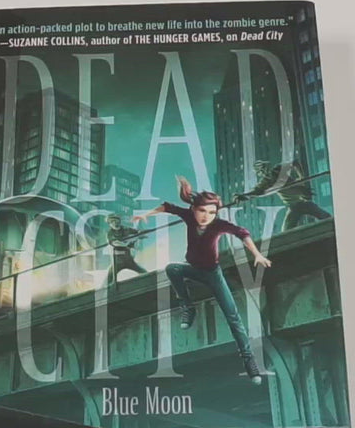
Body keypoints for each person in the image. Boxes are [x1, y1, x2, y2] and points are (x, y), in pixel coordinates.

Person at [133, 176, 273, 383]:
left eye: (211, 212)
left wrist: (257, 255)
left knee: (233, 317)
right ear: (194, 209)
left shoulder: (218, 225)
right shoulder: (189, 217)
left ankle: (249, 361)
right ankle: (188, 307)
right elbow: (168, 207)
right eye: (202, 211)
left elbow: (242, 233)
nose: (206, 216)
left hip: (212, 274)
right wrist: (145, 214)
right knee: (172, 269)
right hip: (192, 269)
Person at [233, 159, 331, 230]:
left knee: (326, 217)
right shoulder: (267, 181)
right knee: (286, 232)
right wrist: (243, 196)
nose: (265, 172)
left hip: (303, 201)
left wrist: (302, 178)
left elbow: (295, 163)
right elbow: (256, 192)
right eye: (262, 171)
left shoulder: (279, 169)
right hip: (293, 206)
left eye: (264, 168)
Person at [104, 214, 148, 285]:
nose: (115, 223)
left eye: (116, 221)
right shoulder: (110, 233)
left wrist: (140, 234)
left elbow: (139, 233)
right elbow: (116, 243)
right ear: (109, 224)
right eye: (112, 222)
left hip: (128, 259)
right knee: (109, 279)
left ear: (119, 221)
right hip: (117, 261)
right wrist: (129, 242)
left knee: (144, 273)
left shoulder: (126, 229)